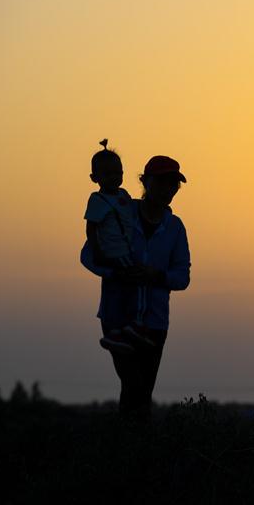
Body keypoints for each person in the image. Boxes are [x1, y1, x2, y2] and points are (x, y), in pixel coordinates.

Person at [81, 155, 191, 421]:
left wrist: (156, 276)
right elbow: (88, 255)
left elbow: (182, 278)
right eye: (162, 182)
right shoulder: (120, 210)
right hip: (117, 319)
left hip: (153, 324)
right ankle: (132, 452)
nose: (168, 189)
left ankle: (133, 454)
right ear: (145, 182)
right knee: (135, 388)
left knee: (140, 395)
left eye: (173, 184)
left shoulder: (174, 228)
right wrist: (119, 273)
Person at [84, 139, 148, 354]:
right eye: (108, 174)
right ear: (95, 178)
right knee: (123, 287)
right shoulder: (97, 200)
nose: (115, 178)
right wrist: (97, 251)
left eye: (118, 172)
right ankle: (120, 330)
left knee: (129, 287)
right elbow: (91, 228)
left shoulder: (123, 196)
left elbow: (134, 211)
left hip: (126, 251)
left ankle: (128, 327)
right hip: (113, 253)